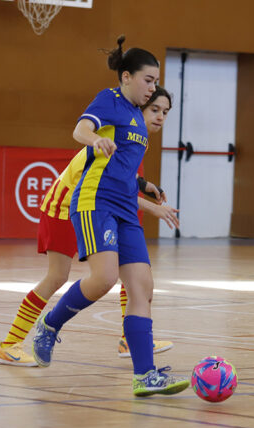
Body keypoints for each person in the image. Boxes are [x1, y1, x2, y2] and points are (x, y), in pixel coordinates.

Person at [31, 36, 189, 397]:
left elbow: (121, 165)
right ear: (127, 76)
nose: (152, 88)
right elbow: (80, 129)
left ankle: (145, 374)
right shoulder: (110, 100)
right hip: (95, 202)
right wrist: (94, 140)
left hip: (125, 209)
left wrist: (143, 184)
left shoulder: (137, 114)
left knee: (142, 288)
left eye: (155, 81)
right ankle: (50, 325)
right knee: (102, 279)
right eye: (148, 80)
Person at [0, 86, 178, 367]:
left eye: (165, 112)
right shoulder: (115, 133)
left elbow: (126, 183)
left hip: (92, 208)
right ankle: (9, 344)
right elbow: (111, 186)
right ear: (135, 111)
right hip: (65, 207)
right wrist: (154, 207)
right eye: (154, 109)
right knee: (57, 277)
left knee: (129, 268)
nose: (160, 117)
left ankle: (129, 338)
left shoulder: (134, 142)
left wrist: (144, 184)